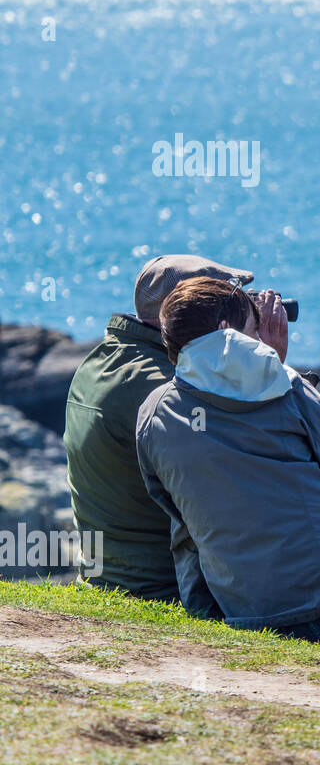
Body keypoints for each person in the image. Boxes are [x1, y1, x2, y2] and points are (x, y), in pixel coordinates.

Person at [134, 277, 320, 648]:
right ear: (225, 333)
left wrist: (203, 609)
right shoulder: (285, 386)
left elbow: (182, 520)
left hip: (250, 608)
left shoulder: (153, 414)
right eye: (254, 328)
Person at [64, 253, 255, 600]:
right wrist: (265, 360)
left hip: (108, 575)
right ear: (192, 305)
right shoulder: (167, 388)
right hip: (161, 586)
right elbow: (255, 468)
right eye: (228, 300)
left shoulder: (100, 362)